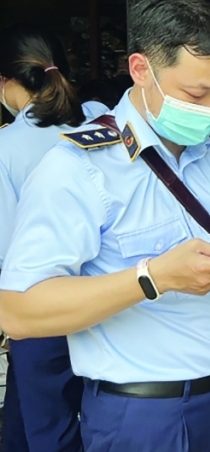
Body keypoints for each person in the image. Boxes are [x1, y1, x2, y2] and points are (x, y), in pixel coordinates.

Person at [0, 0, 210, 452]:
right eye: (196, 93)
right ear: (141, 69)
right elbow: (19, 311)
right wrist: (153, 278)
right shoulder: (79, 168)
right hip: (147, 418)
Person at [0, 24, 109, 452]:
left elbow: (9, 248)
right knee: (34, 421)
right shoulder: (101, 118)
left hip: (40, 309)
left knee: (50, 432)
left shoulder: (8, 146)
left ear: (7, 83)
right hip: (107, 301)